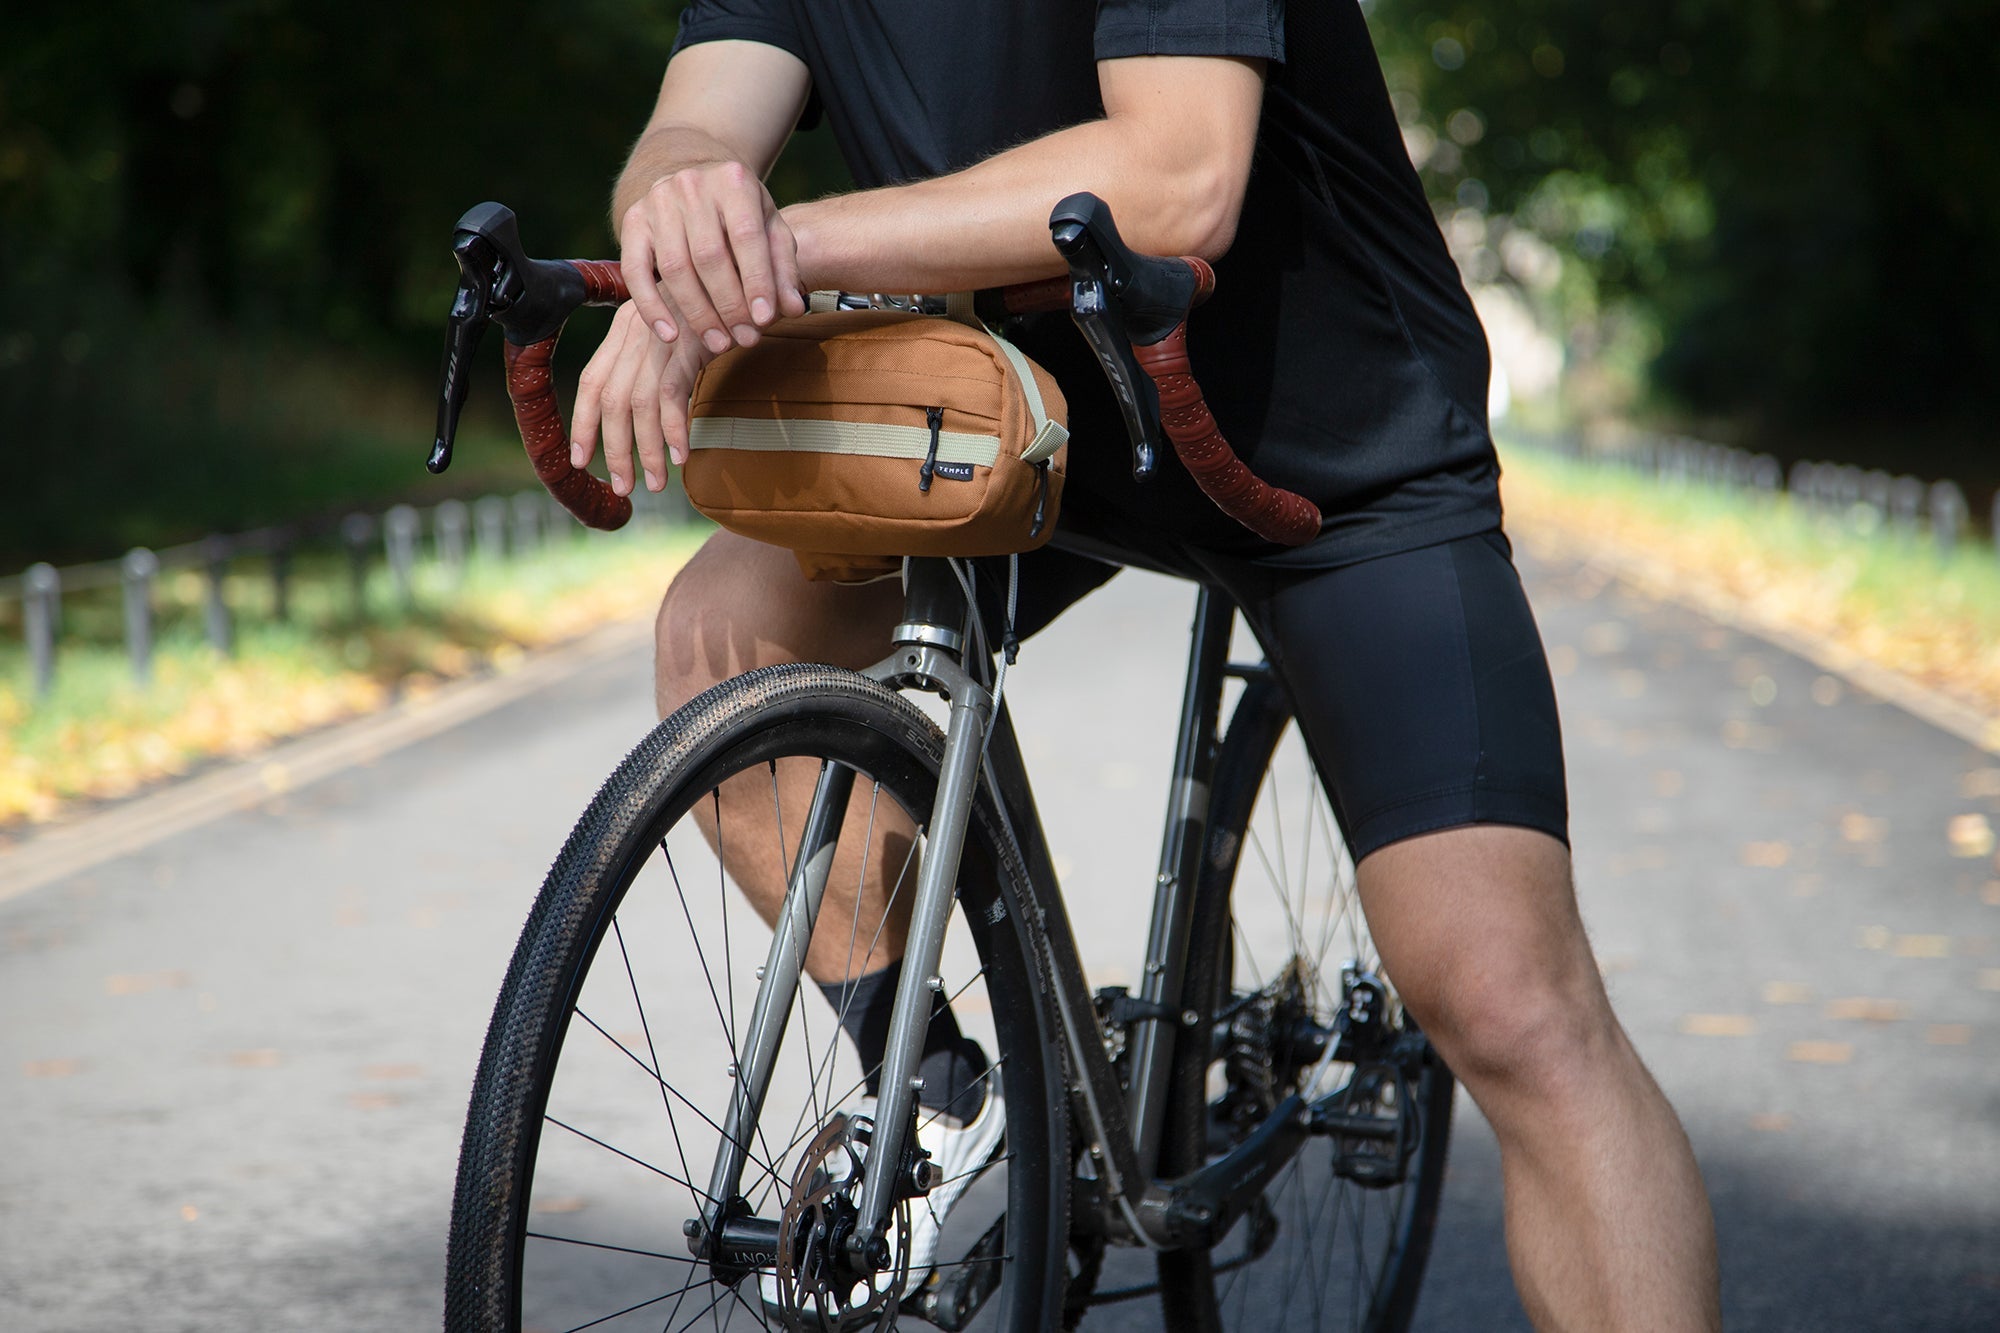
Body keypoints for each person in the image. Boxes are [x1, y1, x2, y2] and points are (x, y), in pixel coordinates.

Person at [570, 2, 1722, 1328]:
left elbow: (1181, 174)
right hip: (1044, 434)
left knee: (1510, 1000)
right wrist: (679, 220)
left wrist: (775, 251)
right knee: (724, 628)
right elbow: (703, 119)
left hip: (1334, 452)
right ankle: (937, 1083)